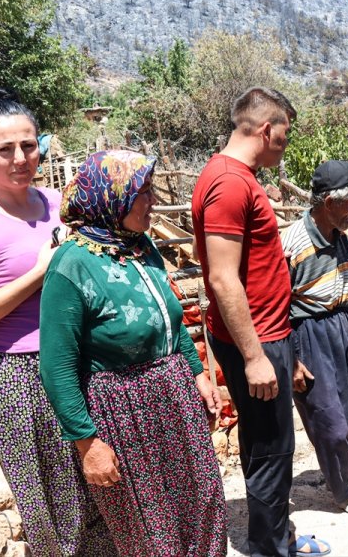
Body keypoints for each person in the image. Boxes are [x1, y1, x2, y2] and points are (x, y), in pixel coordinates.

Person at [0, 88, 115, 555]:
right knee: (53, 519)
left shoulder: (60, 204)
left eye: (29, 144)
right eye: (5, 149)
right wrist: (42, 271)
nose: (21, 157)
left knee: (104, 501)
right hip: (21, 382)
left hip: (81, 367)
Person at [38, 150, 227, 555]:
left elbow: (170, 321)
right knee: (149, 526)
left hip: (174, 397)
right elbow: (56, 367)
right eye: (142, 191)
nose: (152, 200)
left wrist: (196, 375)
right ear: (111, 198)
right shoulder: (71, 266)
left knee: (203, 504)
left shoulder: (141, 248)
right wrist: (88, 444)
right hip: (122, 412)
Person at [192, 87, 330, 557]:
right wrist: (255, 356)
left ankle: (274, 534)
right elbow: (223, 278)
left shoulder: (228, 174)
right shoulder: (232, 183)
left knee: (260, 444)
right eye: (284, 136)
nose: (285, 146)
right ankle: (272, 549)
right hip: (257, 339)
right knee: (273, 451)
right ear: (267, 129)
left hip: (265, 334)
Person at [282, 160, 348, 516]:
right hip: (309, 332)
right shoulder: (293, 242)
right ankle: (343, 492)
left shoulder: (341, 236)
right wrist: (291, 358)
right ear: (329, 202)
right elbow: (274, 304)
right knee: (330, 420)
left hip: (343, 325)